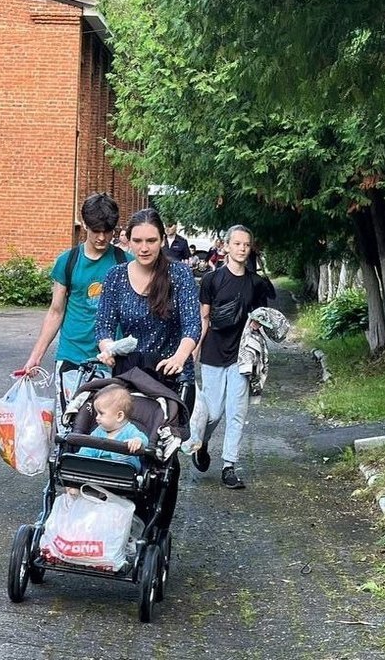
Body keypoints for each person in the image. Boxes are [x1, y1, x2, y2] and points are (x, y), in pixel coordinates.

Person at [94, 208, 201, 532]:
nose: (144, 247)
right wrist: (107, 348)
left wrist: (180, 356)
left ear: (162, 240)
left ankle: (158, 526)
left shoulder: (179, 275)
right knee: (120, 439)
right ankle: (119, 511)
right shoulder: (116, 277)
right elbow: (103, 324)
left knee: (163, 452)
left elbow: (192, 326)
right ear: (127, 240)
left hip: (170, 375)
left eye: (151, 240)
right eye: (137, 240)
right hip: (129, 373)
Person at [20, 193, 130, 427]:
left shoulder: (125, 262)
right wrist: (35, 356)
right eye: (96, 231)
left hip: (111, 359)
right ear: (85, 227)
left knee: (107, 426)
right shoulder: (68, 261)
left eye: (108, 231)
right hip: (72, 354)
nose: (102, 237)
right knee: (68, 424)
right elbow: (56, 311)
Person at [189, 225, 261, 489]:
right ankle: (202, 443)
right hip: (213, 353)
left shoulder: (255, 283)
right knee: (213, 413)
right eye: (237, 244)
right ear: (226, 246)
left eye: (246, 244)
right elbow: (204, 317)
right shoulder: (212, 280)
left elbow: (260, 317)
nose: (242, 248)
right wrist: (194, 349)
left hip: (241, 356)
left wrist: (258, 324)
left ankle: (229, 466)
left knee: (236, 413)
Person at [77, 384, 148, 470]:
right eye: (97, 413)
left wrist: (137, 441)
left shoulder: (129, 430)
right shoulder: (98, 431)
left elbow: (143, 438)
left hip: (123, 470)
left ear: (119, 416)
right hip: (97, 470)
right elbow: (87, 449)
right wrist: (79, 460)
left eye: (101, 413)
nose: (97, 418)